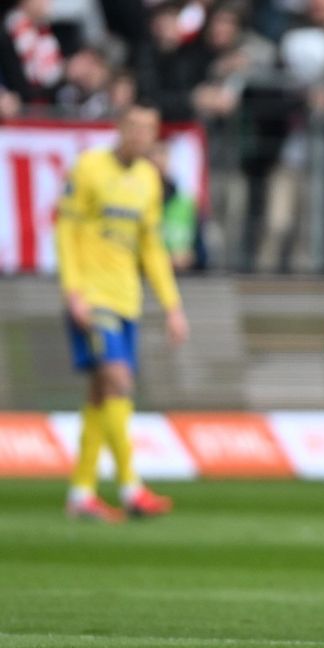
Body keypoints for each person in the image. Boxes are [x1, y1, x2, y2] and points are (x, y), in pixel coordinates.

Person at [57, 102, 189, 523]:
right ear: (119, 128)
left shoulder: (149, 179)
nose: (140, 135)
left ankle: (81, 492)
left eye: (148, 129)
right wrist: (73, 291)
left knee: (100, 393)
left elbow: (151, 247)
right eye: (133, 127)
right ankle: (131, 487)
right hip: (93, 298)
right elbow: (65, 229)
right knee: (118, 380)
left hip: (126, 298)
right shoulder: (88, 168)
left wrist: (172, 306)